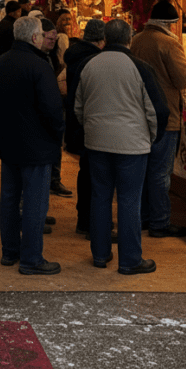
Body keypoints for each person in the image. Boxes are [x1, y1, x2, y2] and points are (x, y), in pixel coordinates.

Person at [74, 19, 169, 276]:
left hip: (96, 142)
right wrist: (151, 137)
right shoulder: (140, 67)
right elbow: (158, 110)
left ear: (105, 38)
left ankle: (100, 254)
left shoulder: (88, 65)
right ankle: (130, 260)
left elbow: (78, 107)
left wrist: (90, 129)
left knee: (100, 197)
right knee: (129, 200)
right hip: (132, 145)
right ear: (129, 39)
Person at [0, 16, 65, 276]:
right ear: (35, 37)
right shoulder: (39, 65)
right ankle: (31, 258)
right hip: (38, 144)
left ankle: (10, 251)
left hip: (9, 141)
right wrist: (57, 135)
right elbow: (53, 108)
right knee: (35, 202)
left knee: (9, 198)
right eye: (42, 35)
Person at [130, 0, 186, 238]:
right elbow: (182, 79)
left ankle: (145, 217)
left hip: (139, 114)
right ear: (170, 24)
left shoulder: (136, 39)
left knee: (144, 170)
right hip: (165, 114)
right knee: (160, 172)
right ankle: (160, 222)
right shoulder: (168, 43)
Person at [63, 19, 106, 236]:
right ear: (101, 40)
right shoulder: (94, 59)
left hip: (78, 121)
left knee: (86, 171)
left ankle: (85, 218)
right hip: (92, 122)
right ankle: (91, 222)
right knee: (94, 175)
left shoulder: (74, 55)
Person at [40, 18, 72, 199]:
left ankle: (54, 180)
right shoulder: (36, 58)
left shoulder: (51, 56)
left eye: (54, 39)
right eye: (49, 39)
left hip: (55, 109)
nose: (52, 42)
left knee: (55, 147)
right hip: (42, 114)